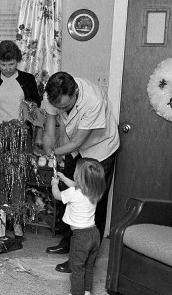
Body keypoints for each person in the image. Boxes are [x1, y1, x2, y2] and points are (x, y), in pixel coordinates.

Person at [39, 72, 119, 274]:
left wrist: (55, 153)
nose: (61, 110)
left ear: (75, 92)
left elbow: (78, 141)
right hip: (74, 149)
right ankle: (68, 242)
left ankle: (84, 257)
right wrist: (50, 154)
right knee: (69, 192)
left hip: (100, 149)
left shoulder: (93, 99)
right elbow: (50, 130)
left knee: (91, 202)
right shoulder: (52, 96)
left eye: (65, 107)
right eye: (58, 107)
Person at [0, 40, 41, 239]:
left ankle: (17, 222)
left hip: (20, 135)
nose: (8, 69)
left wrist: (30, 131)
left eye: (11, 64)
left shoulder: (27, 79)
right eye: (3, 65)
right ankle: (1, 222)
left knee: (18, 178)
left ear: (17, 61)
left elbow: (34, 108)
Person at [51, 158, 106, 295]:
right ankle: (86, 290)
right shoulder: (94, 192)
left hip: (80, 237)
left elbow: (58, 196)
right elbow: (76, 185)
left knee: (77, 266)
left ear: (80, 177)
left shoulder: (73, 193)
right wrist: (63, 177)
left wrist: (54, 185)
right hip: (94, 234)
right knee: (89, 265)